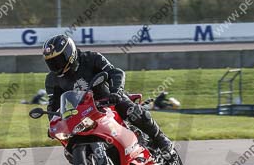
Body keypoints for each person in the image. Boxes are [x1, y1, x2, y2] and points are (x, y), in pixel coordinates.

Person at [42, 34, 173, 153]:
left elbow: (116, 73)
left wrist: (116, 92)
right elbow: (54, 106)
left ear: (69, 53)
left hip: (109, 100)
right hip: (81, 113)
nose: (55, 65)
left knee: (132, 111)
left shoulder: (92, 58)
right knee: (69, 150)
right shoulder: (52, 80)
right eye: (51, 62)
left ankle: (161, 140)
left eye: (58, 60)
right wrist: (54, 124)